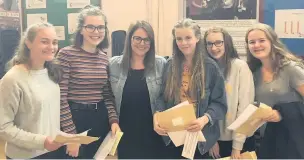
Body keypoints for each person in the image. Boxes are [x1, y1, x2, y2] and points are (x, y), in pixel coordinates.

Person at [154, 18, 228, 159]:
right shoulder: (170, 65)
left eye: (188, 38)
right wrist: (157, 115)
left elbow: (220, 104)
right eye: (179, 39)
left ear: (198, 38)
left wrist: (204, 120)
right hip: (173, 136)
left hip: (200, 139)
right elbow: (161, 97)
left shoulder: (210, 67)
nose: (183, 43)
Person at [56, 5, 120, 159]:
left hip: (99, 118)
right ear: (81, 29)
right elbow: (60, 97)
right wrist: (71, 136)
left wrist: (113, 120)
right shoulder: (66, 54)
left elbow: (106, 94)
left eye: (100, 27)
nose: (96, 32)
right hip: (74, 118)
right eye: (90, 27)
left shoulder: (104, 57)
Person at [109, 20, 174, 159]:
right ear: (129, 39)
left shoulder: (161, 64)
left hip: (154, 134)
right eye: (137, 38)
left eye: (147, 39)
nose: (142, 43)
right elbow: (107, 97)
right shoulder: (113, 64)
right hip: (125, 134)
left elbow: (166, 96)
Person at [0, 22, 64, 159]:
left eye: (54, 42)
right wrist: (42, 141)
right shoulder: (12, 79)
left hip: (52, 151)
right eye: (44, 42)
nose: (51, 47)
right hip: (25, 156)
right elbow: (3, 128)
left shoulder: (50, 72)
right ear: (28, 43)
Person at [245, 23, 304, 158]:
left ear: (272, 42)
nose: (257, 45)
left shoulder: (290, 68)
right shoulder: (253, 73)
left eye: (261, 40)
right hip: (265, 141)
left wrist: (283, 113)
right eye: (252, 42)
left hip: (291, 140)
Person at [203, 27, 255, 159]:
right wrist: (211, 140)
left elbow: (244, 109)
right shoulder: (205, 68)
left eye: (218, 42)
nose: (214, 48)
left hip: (239, 141)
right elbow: (204, 107)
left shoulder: (240, 67)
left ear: (226, 43)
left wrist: (237, 147)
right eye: (209, 44)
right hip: (213, 140)